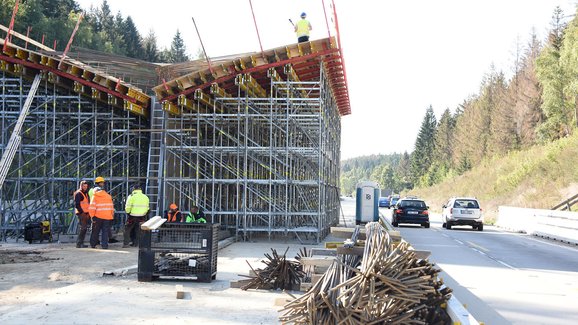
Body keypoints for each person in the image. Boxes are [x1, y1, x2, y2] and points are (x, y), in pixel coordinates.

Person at [89, 176, 118, 243]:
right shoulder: (96, 193)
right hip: (99, 214)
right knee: (100, 230)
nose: (103, 184)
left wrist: (92, 216)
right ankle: (102, 243)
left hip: (97, 214)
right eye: (102, 183)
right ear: (98, 183)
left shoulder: (94, 192)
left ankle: (94, 243)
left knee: (96, 230)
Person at [73, 180, 91, 248]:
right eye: (84, 186)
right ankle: (79, 243)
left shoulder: (85, 193)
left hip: (85, 213)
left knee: (84, 228)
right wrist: (82, 212)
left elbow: (86, 204)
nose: (85, 187)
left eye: (86, 186)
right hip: (81, 213)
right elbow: (77, 204)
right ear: (81, 186)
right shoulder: (79, 193)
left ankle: (80, 243)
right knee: (83, 228)